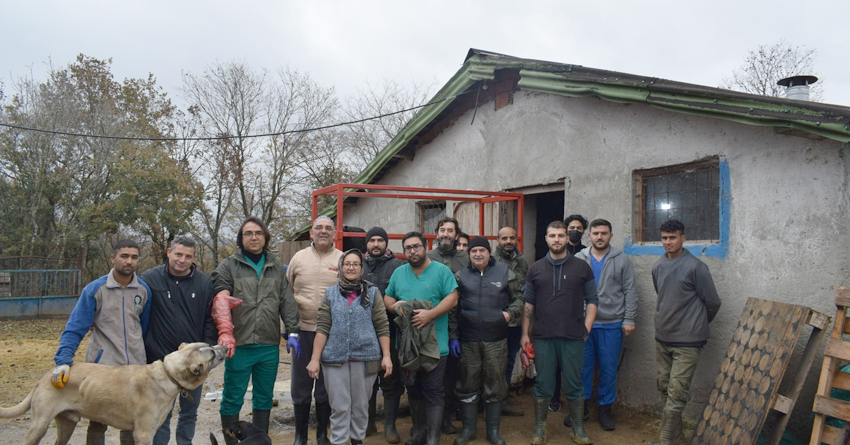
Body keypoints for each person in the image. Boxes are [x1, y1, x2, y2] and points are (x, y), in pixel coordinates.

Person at [52, 239, 152, 445]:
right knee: (98, 420)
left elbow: (145, 327)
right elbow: (75, 327)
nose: (129, 261)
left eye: (134, 257)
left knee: (132, 420)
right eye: (124, 256)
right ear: (113, 258)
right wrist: (63, 359)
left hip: (135, 368)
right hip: (103, 366)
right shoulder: (95, 289)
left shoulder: (144, 290)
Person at [211, 216, 301, 445]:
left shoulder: (276, 267)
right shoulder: (229, 266)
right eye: (248, 233)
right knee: (232, 398)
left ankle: (259, 441)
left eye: (258, 233)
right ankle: (232, 442)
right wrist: (225, 333)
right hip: (239, 344)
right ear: (241, 239)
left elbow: (286, 300)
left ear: (265, 237)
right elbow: (220, 299)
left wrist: (292, 332)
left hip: (268, 345)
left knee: (264, 398)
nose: (254, 237)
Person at [521, 221, 598, 445]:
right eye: (552, 235)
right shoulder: (535, 268)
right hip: (543, 336)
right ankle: (540, 429)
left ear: (567, 238)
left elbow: (592, 299)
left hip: (573, 336)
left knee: (574, 384)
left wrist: (587, 327)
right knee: (543, 384)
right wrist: (525, 334)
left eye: (561, 235)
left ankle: (578, 429)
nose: (557, 239)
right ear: (545, 238)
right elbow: (529, 304)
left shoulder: (582, 267)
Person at [307, 249, 394, 445]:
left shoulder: (372, 293)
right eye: (347, 264)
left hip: (366, 358)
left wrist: (386, 356)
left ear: (361, 268)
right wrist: (314, 359)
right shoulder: (330, 294)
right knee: (340, 406)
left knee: (361, 405)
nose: (351, 267)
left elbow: (382, 325)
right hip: (334, 360)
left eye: (355, 264)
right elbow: (322, 327)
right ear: (340, 267)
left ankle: (357, 440)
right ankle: (338, 440)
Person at [384, 232, 459, 445]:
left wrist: (430, 314)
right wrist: (394, 306)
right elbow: (388, 296)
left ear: (426, 247)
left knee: (434, 390)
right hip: (407, 346)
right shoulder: (399, 273)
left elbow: (453, 298)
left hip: (436, 345)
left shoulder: (442, 271)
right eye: (408, 248)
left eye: (416, 246)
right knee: (414, 389)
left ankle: (433, 439)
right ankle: (418, 434)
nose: (412, 251)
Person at [142, 236, 218, 445]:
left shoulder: (203, 283)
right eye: (178, 254)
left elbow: (210, 319)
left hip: (193, 363)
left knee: (189, 412)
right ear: (169, 252)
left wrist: (208, 352)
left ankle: (185, 442)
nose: (182, 260)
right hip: (159, 360)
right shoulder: (149, 279)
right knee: (160, 412)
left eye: (188, 256)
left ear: (194, 257)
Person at [651, 220, 721, 445]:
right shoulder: (658, 266)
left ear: (683, 238)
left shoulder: (696, 267)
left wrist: (696, 323)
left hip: (688, 342)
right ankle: (677, 438)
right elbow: (662, 295)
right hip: (663, 338)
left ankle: (665, 439)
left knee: (678, 391)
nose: (668, 242)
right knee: (665, 387)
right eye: (664, 238)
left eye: (672, 238)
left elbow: (712, 301)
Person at [452, 237, 523, 445]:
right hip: (468, 340)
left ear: (488, 252)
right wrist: (454, 336)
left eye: (482, 250)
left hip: (496, 339)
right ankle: (468, 430)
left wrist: (509, 315)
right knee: (468, 383)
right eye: (474, 251)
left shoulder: (504, 271)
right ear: (469, 253)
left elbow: (520, 298)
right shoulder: (460, 275)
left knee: (495, 384)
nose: (478, 254)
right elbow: (453, 308)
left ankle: (493, 431)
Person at [574, 219, 637, 431]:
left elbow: (630, 291)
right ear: (589, 235)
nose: (599, 237)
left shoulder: (622, 260)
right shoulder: (579, 258)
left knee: (609, 369)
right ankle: (580, 407)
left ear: (611, 235)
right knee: (583, 367)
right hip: (584, 325)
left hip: (612, 323)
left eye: (604, 233)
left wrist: (629, 319)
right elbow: (571, 291)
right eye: (595, 233)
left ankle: (605, 409)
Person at [287, 216, 344, 445]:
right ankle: (300, 436)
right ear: (311, 232)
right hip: (302, 331)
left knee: (325, 386)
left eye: (328, 228)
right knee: (300, 385)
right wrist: (288, 329)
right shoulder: (298, 258)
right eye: (318, 228)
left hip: (331, 333)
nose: (323, 231)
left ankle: (322, 434)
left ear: (334, 233)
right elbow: (287, 294)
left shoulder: (342, 259)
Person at [362, 227, 405, 443]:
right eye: (372, 240)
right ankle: (368, 424)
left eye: (380, 240)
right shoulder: (357, 265)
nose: (376, 244)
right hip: (364, 334)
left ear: (386, 243)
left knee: (390, 379)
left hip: (391, 332)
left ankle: (389, 426)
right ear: (367, 243)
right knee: (367, 380)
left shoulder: (397, 266)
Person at [426, 217, 468, 434]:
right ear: (437, 233)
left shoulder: (465, 258)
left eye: (450, 231)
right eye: (442, 230)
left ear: (456, 235)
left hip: (460, 325)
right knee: (433, 376)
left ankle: (448, 418)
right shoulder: (428, 258)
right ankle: (429, 421)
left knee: (453, 376)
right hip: (434, 324)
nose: (446, 234)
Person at [550, 214, 589, 413]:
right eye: (571, 227)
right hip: (557, 315)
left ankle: (578, 404)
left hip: (577, 313)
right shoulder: (554, 254)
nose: (575, 230)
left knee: (574, 363)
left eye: (579, 228)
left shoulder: (585, 255)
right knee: (555, 362)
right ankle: (555, 397)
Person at [492, 226, 528, 417]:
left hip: (515, 322)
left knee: (508, 362)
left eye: (511, 238)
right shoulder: (492, 261)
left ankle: (502, 401)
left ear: (516, 239)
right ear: (498, 240)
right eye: (504, 238)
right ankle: (489, 402)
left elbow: (525, 294)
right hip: (496, 321)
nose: (508, 241)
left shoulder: (522, 262)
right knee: (493, 363)